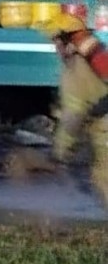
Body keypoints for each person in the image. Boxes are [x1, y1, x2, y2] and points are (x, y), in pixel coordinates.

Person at [42, 14, 108, 205]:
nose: (56, 48)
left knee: (103, 177)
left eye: (56, 42)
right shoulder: (95, 59)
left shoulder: (75, 70)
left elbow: (74, 116)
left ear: (66, 42)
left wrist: (60, 152)